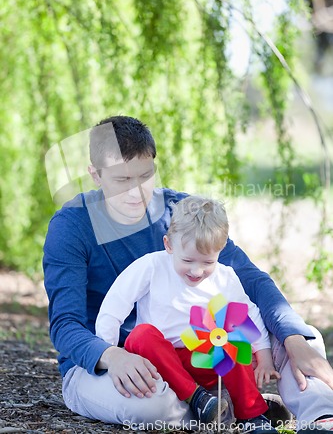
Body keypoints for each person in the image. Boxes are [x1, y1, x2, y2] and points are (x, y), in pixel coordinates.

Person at [43, 115, 333, 431]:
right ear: (95, 175)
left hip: (195, 347)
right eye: (121, 180)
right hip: (109, 363)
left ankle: (320, 415)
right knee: (150, 406)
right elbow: (65, 324)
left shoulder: (181, 212)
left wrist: (291, 335)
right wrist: (111, 355)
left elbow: (249, 279)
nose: (135, 193)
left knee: (297, 334)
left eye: (144, 176)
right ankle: (229, 408)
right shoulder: (71, 226)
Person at [95, 195, 281, 431]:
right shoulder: (151, 267)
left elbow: (246, 316)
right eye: (188, 260)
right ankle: (198, 399)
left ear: (220, 251)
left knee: (233, 345)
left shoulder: (225, 278)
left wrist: (264, 357)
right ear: (169, 244)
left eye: (207, 262)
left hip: (204, 359)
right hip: (159, 363)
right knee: (141, 335)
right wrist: (110, 355)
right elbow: (114, 307)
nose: (197, 270)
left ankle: (252, 415)